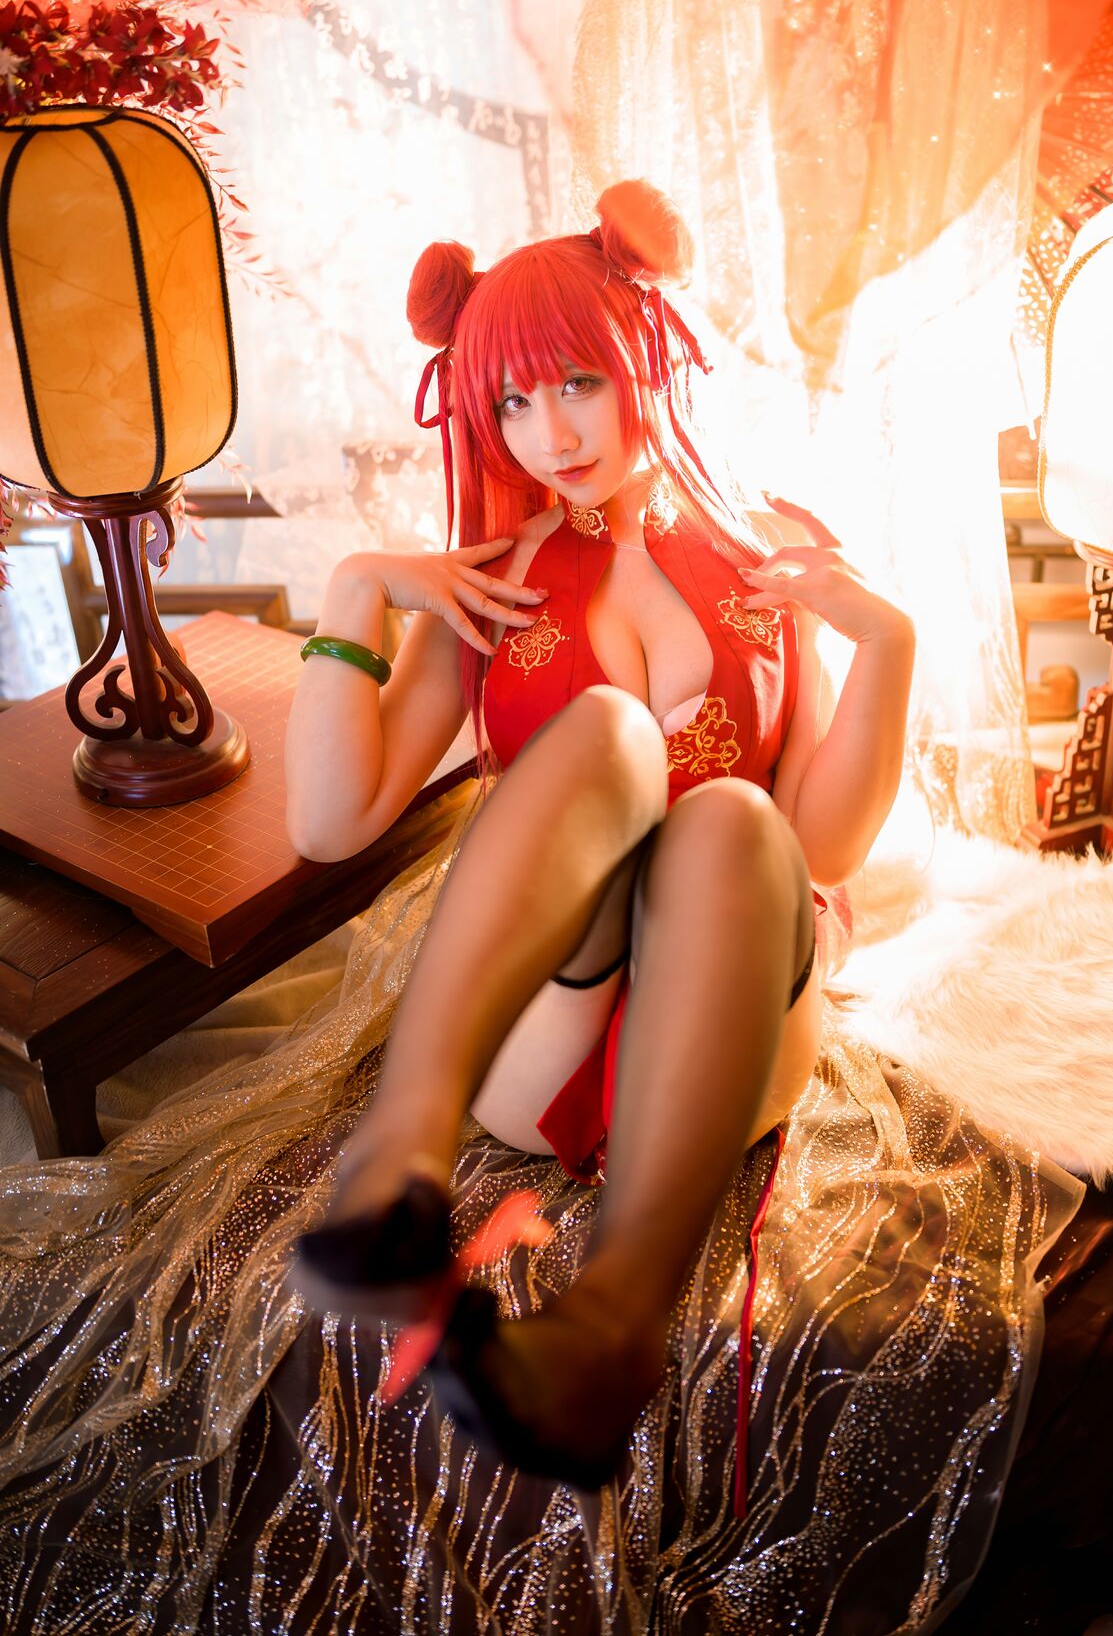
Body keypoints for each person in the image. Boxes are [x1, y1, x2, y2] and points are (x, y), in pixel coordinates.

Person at [285, 179, 916, 1487]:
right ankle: (397, 1165)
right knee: (614, 736)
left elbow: (822, 850)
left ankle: (612, 1324)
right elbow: (332, 822)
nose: (549, 433)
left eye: (576, 381)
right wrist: (357, 588)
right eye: (512, 402)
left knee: (731, 820)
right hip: (545, 1032)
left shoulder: (765, 549)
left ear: (644, 352)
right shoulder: (494, 578)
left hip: (724, 1025)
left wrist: (888, 643)